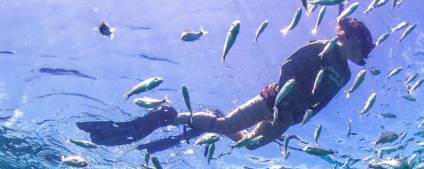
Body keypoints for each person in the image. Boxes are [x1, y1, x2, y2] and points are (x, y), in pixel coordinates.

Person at [77, 17, 374, 153]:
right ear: (352, 39)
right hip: (273, 101)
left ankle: (207, 122)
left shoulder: (346, 75)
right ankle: (172, 116)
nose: (364, 54)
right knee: (225, 126)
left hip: (289, 118)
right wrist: (282, 102)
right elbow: (288, 67)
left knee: (251, 145)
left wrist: (297, 119)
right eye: (363, 47)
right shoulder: (320, 47)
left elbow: (322, 103)